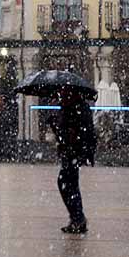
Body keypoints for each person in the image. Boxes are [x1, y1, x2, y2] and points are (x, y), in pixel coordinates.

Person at [52, 87, 97, 234]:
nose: (62, 94)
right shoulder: (69, 107)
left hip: (73, 151)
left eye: (64, 92)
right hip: (70, 151)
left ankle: (78, 217)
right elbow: (64, 131)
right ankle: (76, 217)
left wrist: (71, 137)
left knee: (66, 182)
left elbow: (82, 131)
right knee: (69, 182)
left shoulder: (78, 108)